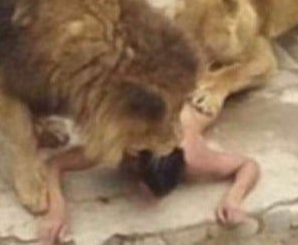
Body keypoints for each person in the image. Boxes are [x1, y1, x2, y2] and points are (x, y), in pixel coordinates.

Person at [37, 103, 260, 244]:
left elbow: (248, 165)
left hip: (192, 106)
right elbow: (54, 164)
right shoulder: (120, 148)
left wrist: (233, 199)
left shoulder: (194, 159)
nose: (151, 201)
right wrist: (57, 208)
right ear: (134, 164)